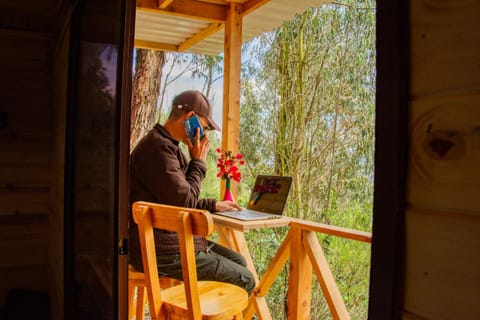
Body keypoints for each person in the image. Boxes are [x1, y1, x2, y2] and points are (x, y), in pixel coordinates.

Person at [129, 90, 255, 294]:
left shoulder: (169, 147)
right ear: (190, 118)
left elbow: (179, 198)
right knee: (245, 279)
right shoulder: (158, 149)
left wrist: (213, 205)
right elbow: (186, 201)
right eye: (203, 127)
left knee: (239, 261)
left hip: (169, 242)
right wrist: (197, 162)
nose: (203, 134)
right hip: (160, 250)